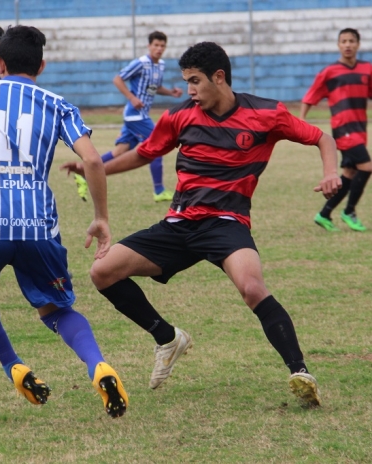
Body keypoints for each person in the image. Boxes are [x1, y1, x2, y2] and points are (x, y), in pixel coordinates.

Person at [62, 41, 341, 407]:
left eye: (195, 81)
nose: (190, 90)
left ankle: (300, 372)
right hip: (179, 224)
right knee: (103, 272)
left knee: (253, 288)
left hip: (227, 223)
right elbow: (144, 153)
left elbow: (321, 137)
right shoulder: (180, 116)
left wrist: (331, 172)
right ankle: (167, 337)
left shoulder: (266, 113)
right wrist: (93, 167)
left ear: (219, 77)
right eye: (187, 82)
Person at [0, 25, 128, 418]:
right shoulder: (58, 104)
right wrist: (100, 217)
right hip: (39, 227)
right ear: (42, 65)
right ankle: (97, 365)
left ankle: (12, 364)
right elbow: (94, 160)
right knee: (56, 309)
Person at [73, 31, 183, 202]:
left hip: (141, 114)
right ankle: (159, 191)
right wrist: (132, 98)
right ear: (149, 46)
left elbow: (152, 88)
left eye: (162, 46)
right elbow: (118, 79)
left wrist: (170, 93)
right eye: (156, 45)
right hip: (135, 115)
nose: (159, 49)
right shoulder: (140, 63)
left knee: (120, 151)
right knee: (158, 144)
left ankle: (84, 172)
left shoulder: (160, 65)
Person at [301, 27, 372, 232]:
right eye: (343, 41)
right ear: (338, 45)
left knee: (349, 173)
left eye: (351, 41)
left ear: (358, 44)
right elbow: (310, 96)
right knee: (366, 167)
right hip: (343, 128)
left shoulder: (367, 69)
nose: (347, 44)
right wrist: (302, 120)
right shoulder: (330, 72)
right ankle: (349, 211)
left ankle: (324, 214)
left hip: (360, 128)